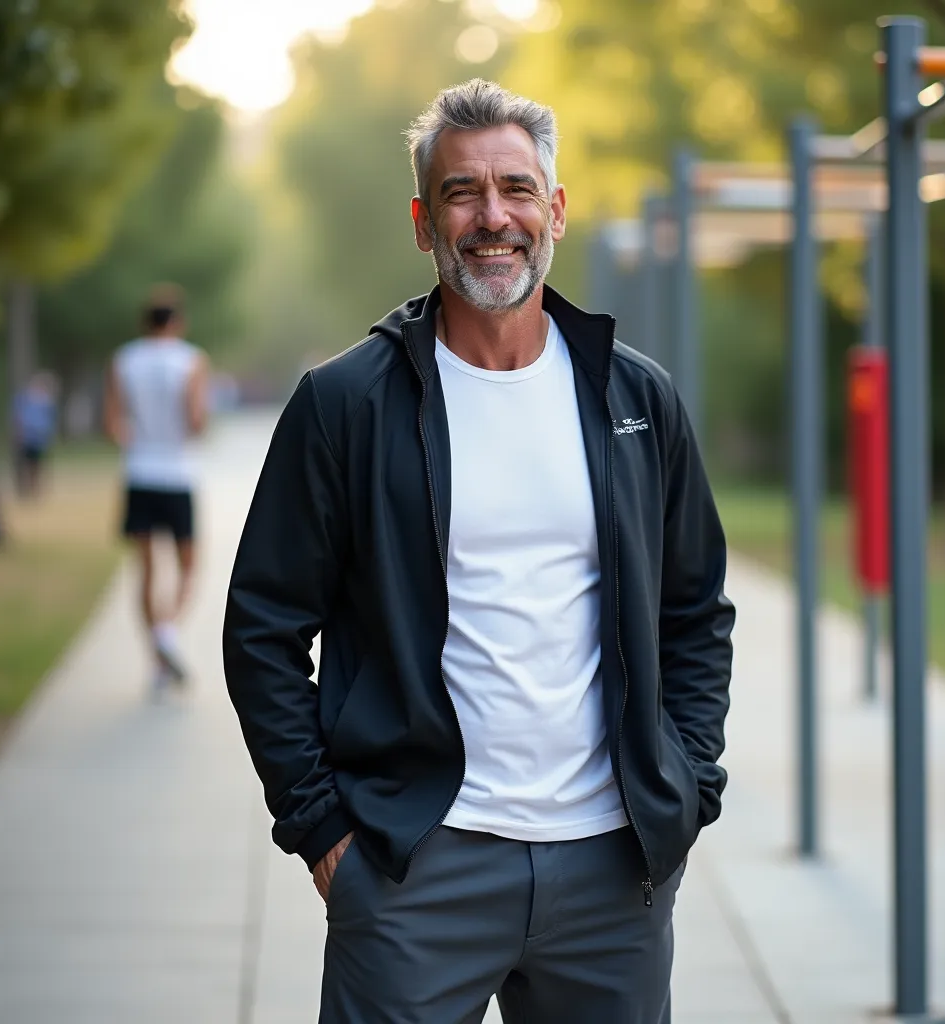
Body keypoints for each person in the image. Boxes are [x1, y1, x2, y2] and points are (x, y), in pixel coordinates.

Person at [224, 80, 735, 1023]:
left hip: (612, 874)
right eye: (462, 193)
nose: (492, 216)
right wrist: (322, 826)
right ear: (424, 222)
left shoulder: (635, 399)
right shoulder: (345, 405)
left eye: (516, 188)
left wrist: (687, 785)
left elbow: (696, 606)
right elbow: (262, 627)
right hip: (416, 862)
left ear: (556, 210)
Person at [105, 285, 209, 693]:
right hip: (177, 474)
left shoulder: (124, 359)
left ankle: (156, 661)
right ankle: (166, 633)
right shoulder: (191, 361)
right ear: (177, 322)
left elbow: (112, 422)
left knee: (147, 569)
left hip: (139, 472)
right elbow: (196, 420)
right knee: (187, 567)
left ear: (145, 322)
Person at [12, 371, 59, 498]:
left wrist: (49, 435)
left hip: (39, 439)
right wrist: (19, 433)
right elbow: (18, 418)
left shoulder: (47, 401)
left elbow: (50, 420)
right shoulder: (23, 399)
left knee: (37, 465)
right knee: (26, 464)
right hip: (27, 438)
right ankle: (26, 489)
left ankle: (36, 489)